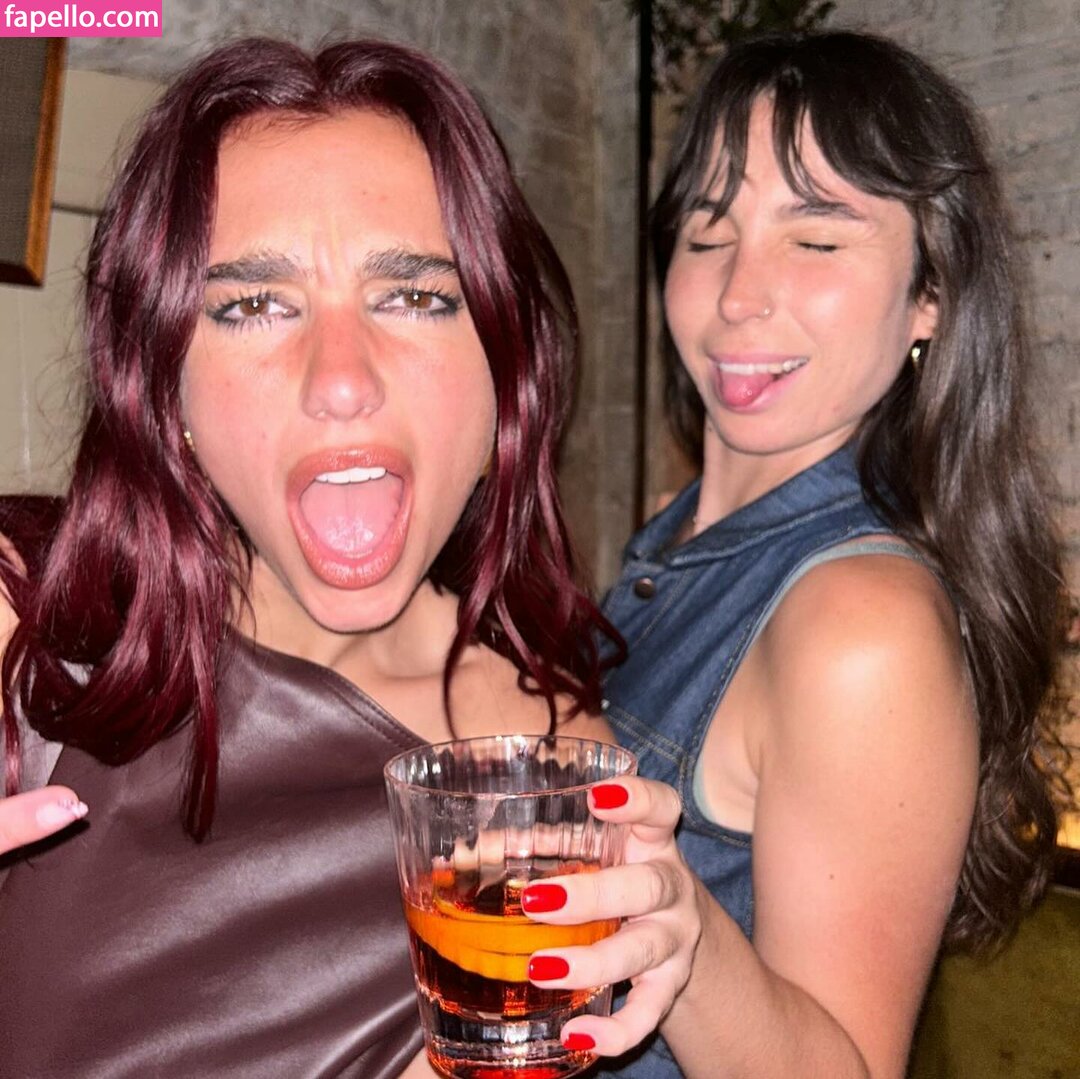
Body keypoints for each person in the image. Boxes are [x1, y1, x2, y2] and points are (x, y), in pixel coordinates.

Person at [0, 37, 697, 1078]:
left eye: (414, 296)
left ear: (505, 372)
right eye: (253, 305)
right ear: (165, 388)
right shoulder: (29, 616)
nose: (341, 380)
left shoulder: (535, 769)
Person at [547, 29, 1067, 1079]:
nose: (739, 293)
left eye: (817, 239)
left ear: (930, 295)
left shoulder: (860, 624)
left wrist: (681, 927)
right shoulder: (681, 535)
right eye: (708, 232)